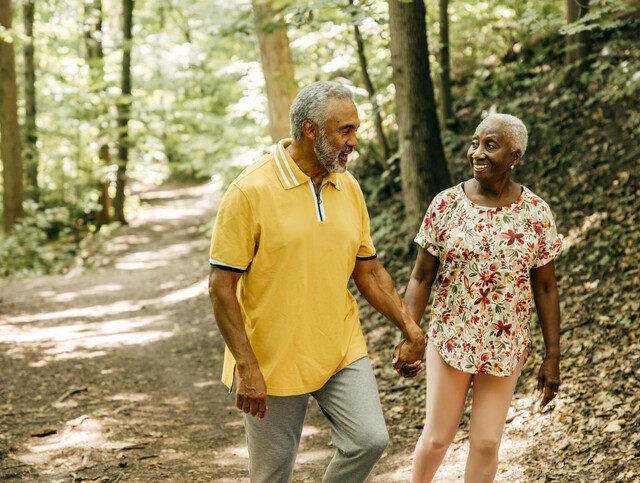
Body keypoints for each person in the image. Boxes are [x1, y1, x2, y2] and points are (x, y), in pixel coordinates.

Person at [207, 81, 425, 483]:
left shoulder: (348, 186)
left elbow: (369, 269)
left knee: (369, 439)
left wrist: (411, 329)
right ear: (310, 130)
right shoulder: (249, 190)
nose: (354, 141)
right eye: (345, 130)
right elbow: (221, 287)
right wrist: (246, 365)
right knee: (272, 474)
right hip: (272, 356)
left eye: (355, 130)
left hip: (338, 345)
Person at [405, 113, 563, 483]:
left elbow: (545, 286)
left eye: (490, 146)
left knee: (488, 441)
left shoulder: (536, 212)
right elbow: (421, 275)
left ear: (515, 156)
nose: (477, 153)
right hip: (452, 336)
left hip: (505, 342)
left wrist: (552, 355)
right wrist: (411, 334)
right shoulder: (445, 204)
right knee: (438, 439)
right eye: (475, 143)